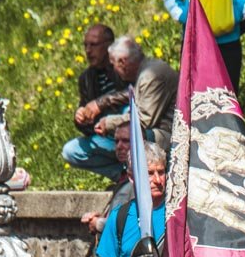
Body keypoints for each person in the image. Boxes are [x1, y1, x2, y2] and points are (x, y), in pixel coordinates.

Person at [65, 38, 177, 179]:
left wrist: (108, 123)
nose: (113, 70)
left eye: (113, 65)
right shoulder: (140, 74)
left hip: (166, 137)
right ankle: (124, 175)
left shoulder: (151, 75)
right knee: (72, 149)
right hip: (140, 134)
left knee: (133, 135)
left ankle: (141, 175)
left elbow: (143, 122)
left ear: (122, 62)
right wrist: (84, 117)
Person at [94, 142, 168, 257]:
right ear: (132, 177)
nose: (158, 180)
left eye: (161, 172)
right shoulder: (120, 216)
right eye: (149, 173)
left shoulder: (177, 213)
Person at [62, 25, 126, 182]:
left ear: (109, 45)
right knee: (70, 151)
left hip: (133, 133)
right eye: (85, 45)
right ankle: (122, 175)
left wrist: (100, 103)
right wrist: (81, 119)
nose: (88, 50)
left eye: (93, 45)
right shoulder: (86, 78)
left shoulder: (124, 67)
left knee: (128, 109)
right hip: (108, 139)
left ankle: (137, 169)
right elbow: (89, 128)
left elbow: (136, 94)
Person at [163, 0, 245, 89]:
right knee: (195, 94)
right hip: (195, 44)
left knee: (228, 95)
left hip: (228, 43)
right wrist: (186, 15)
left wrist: (235, 14)